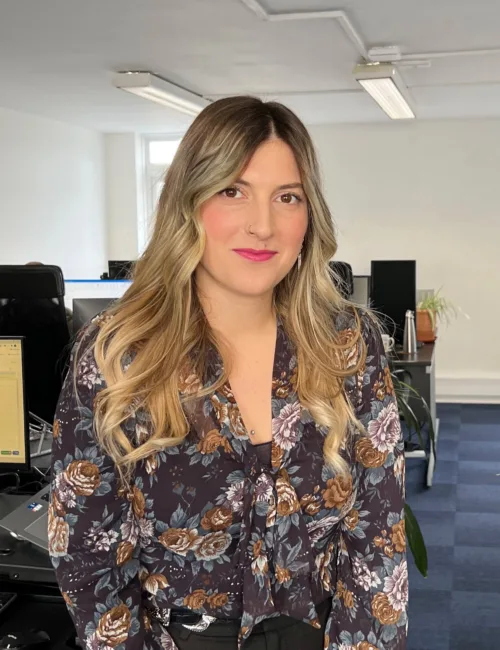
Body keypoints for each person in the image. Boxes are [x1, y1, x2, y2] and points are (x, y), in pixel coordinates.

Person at [49, 96, 407, 650]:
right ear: (188, 203)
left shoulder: (347, 343)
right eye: (233, 191)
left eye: (287, 197)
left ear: (308, 216)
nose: (263, 225)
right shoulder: (119, 355)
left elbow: (378, 536)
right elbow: (87, 557)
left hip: (326, 633)